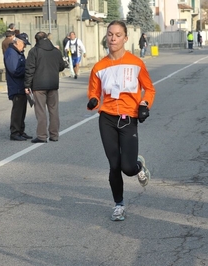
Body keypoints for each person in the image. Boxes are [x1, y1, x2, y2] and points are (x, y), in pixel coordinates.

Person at [86, 20, 156, 221]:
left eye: (117, 35)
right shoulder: (99, 67)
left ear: (125, 38)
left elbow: (149, 89)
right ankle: (119, 205)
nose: (113, 38)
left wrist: (144, 105)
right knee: (114, 165)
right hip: (107, 117)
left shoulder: (136, 63)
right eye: (110, 34)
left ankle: (138, 167)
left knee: (127, 168)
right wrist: (93, 100)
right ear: (106, 37)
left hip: (128, 118)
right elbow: (94, 91)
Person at [24, 31, 65, 143]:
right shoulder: (56, 51)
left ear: (36, 40)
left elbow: (29, 69)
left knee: (41, 111)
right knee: (54, 110)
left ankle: (42, 136)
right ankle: (54, 135)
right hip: (53, 84)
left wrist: (27, 85)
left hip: (39, 86)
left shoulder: (34, 51)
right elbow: (61, 66)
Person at [4, 33, 32, 141]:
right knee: (17, 111)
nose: (24, 47)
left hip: (21, 86)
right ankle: (15, 132)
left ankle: (21, 131)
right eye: (24, 44)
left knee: (22, 110)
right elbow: (14, 70)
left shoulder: (19, 52)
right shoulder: (11, 53)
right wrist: (27, 70)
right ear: (18, 42)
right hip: (16, 86)